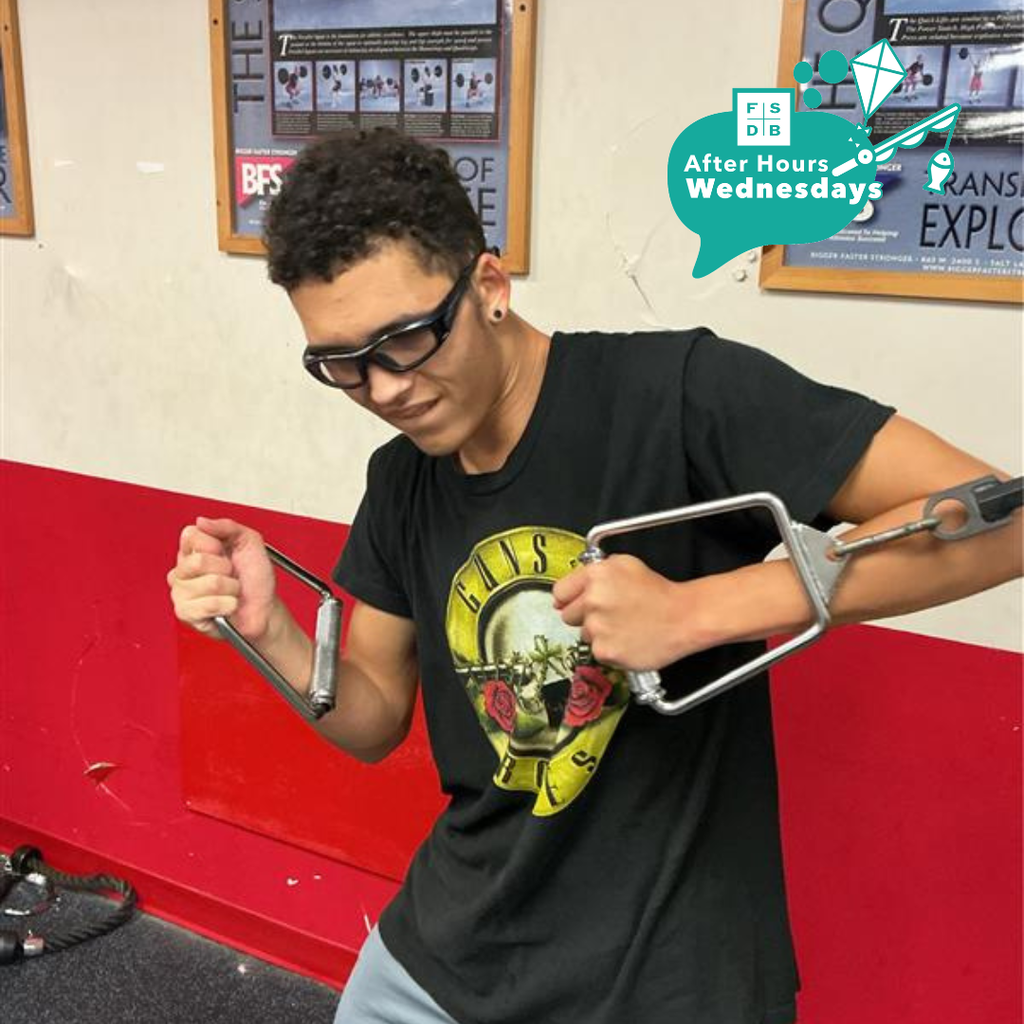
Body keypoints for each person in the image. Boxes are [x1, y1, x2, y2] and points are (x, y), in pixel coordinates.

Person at [166, 129, 1021, 1024]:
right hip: (445, 961)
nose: (382, 389)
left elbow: (1001, 520)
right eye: (341, 362)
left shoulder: (676, 392)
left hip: (662, 980)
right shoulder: (404, 478)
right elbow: (375, 715)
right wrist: (272, 636)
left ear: (489, 287)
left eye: (408, 339)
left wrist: (706, 609)